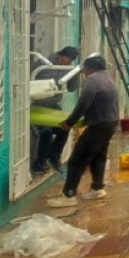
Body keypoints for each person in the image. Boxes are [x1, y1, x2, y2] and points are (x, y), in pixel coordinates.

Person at [47, 57, 119, 207]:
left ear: (90, 68)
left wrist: (69, 123)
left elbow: (83, 104)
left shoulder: (92, 80)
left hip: (99, 126)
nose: (84, 73)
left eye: (84, 70)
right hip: (110, 123)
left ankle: (69, 196)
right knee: (98, 156)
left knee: (77, 159)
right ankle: (97, 188)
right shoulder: (108, 78)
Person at [30, 46, 80, 175]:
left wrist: (75, 74)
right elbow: (27, 79)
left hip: (52, 104)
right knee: (46, 132)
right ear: (59, 54)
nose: (64, 62)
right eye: (63, 58)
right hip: (34, 105)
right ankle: (39, 164)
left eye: (68, 61)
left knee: (65, 126)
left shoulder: (68, 69)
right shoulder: (42, 63)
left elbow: (71, 89)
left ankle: (54, 156)